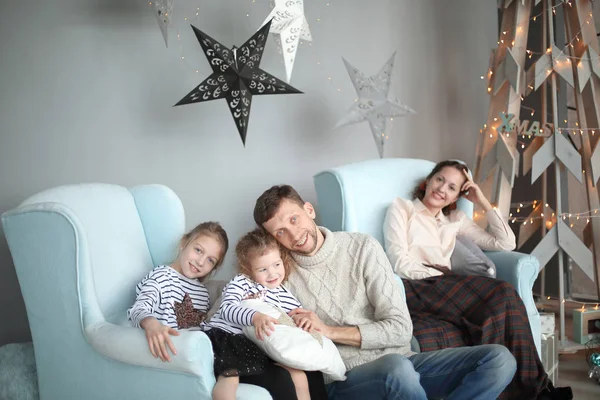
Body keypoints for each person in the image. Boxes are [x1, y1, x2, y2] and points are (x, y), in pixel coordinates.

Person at [253, 184, 517, 400]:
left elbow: (401, 329)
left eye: (294, 219)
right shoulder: (278, 273)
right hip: (346, 379)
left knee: (499, 360)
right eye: (280, 232)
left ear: (309, 210)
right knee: (397, 369)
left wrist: (330, 331)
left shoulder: (361, 246)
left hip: (406, 363)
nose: (294, 234)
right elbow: (237, 300)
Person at [382, 159, 572, 400]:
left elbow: (505, 243)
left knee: (498, 309)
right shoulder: (401, 208)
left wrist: (482, 201)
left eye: (452, 187)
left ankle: (516, 391)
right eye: (440, 180)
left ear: (456, 197)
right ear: (428, 181)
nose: (442, 189)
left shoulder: (456, 220)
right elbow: (398, 261)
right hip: (413, 284)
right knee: (502, 291)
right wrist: (441, 276)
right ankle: (539, 390)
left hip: (445, 284)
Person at [203, 228, 328, 400]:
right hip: (226, 337)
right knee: (229, 378)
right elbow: (227, 309)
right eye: (263, 269)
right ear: (248, 269)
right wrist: (255, 317)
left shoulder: (281, 291)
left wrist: (303, 318)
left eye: (276, 265)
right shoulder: (242, 282)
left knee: (303, 374)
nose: (272, 273)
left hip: (257, 346)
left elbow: (295, 312)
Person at [128, 221, 229, 362]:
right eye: (198, 250)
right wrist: (152, 325)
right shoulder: (162, 276)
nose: (200, 262)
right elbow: (137, 309)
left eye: (210, 260)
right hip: (168, 355)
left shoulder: (202, 293)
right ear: (184, 243)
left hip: (195, 358)